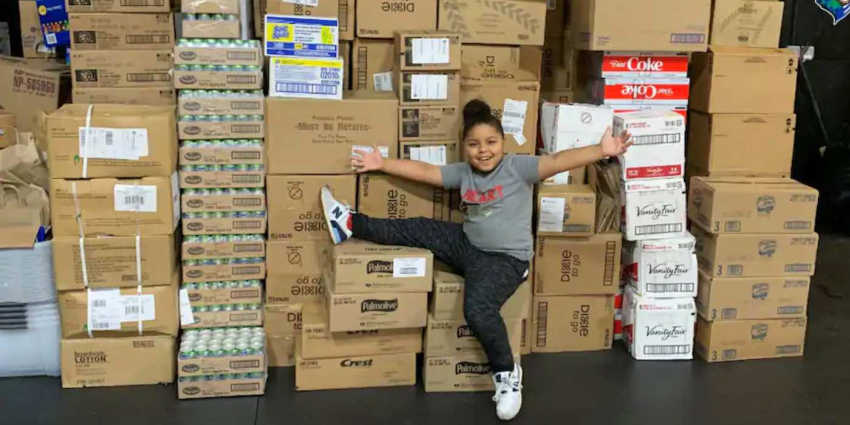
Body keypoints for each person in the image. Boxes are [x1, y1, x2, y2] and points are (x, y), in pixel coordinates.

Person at [320, 99, 632, 421]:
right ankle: (349, 224)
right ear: (465, 148)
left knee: (477, 307)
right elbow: (427, 172)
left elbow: (556, 160)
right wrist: (381, 163)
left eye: (491, 142)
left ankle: (507, 375)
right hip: (467, 244)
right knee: (418, 228)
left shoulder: (517, 168)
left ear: (503, 143)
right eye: (474, 144)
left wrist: (601, 149)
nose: (483, 151)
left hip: (505, 260)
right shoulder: (464, 173)